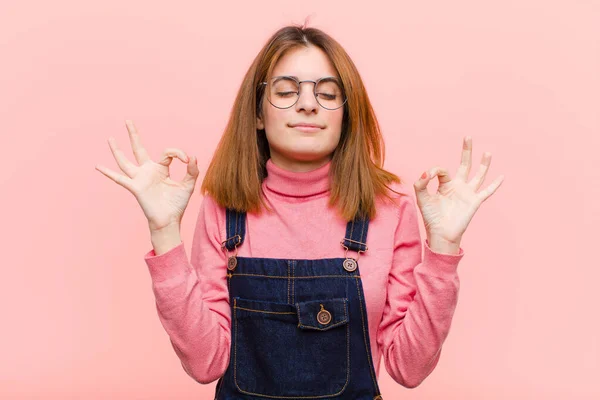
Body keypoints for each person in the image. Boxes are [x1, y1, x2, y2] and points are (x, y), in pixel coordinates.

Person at [95, 24, 503, 399]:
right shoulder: (224, 210)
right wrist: (164, 231)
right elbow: (205, 365)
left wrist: (444, 250)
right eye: (287, 91)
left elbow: (408, 368)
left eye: (327, 94)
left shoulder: (390, 210)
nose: (308, 104)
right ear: (257, 112)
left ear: (346, 114)